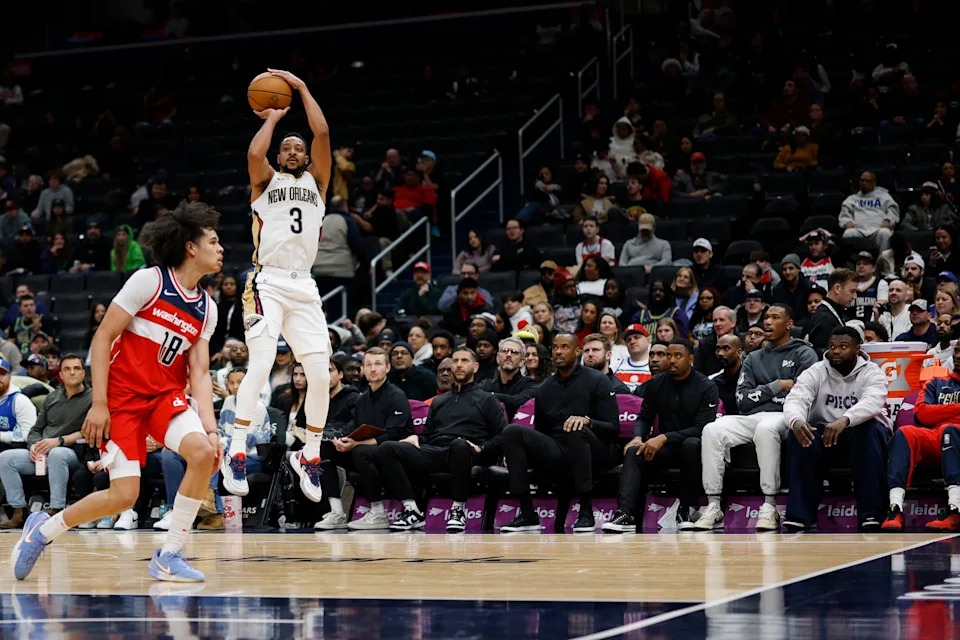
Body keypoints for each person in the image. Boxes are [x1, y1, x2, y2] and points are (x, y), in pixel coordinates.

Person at [11, 200, 223, 582]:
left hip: (164, 397)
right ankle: (43, 531)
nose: (221, 248)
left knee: (203, 453)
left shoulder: (207, 308)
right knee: (123, 496)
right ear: (191, 246)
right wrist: (100, 403)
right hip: (123, 399)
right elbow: (103, 337)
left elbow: (201, 372)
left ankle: (169, 554)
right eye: (213, 240)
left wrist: (211, 428)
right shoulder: (150, 281)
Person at [226, 68, 334, 504]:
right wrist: (271, 117)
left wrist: (304, 89)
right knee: (262, 362)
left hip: (304, 285)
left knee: (322, 374)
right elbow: (255, 153)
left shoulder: (318, 183)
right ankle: (235, 449)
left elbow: (322, 130)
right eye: (286, 147)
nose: (293, 151)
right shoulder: (264, 181)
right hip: (266, 280)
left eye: (298, 147)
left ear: (307, 158)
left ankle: (309, 454)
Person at [693, 305, 817, 532]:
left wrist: (763, 393)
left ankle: (769, 506)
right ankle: (713, 505)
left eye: (775, 317)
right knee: (712, 429)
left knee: (766, 429)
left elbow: (803, 395)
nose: (767, 322)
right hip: (753, 415)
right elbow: (743, 400)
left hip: (786, 415)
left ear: (789, 324)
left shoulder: (804, 353)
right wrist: (777, 386)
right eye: (766, 317)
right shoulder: (753, 358)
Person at [499, 333, 621, 533]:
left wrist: (587, 421)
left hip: (598, 449)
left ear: (576, 351)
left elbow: (613, 428)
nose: (558, 351)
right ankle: (528, 513)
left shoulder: (598, 380)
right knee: (512, 432)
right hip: (559, 451)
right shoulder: (544, 388)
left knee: (574, 427)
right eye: (555, 347)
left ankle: (586, 511)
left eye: (564, 347)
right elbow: (541, 432)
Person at [377, 347, 507, 532]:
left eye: (464, 361)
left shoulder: (487, 399)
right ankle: (412, 510)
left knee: (459, 445)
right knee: (388, 448)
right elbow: (428, 435)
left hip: (466, 451)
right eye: (456, 361)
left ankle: (457, 510)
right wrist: (416, 437)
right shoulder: (440, 401)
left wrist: (483, 448)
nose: (459, 365)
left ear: (476, 367)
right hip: (436, 451)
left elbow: (503, 434)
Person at [603, 339, 719, 533]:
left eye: (678, 356)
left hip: (692, 449)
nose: (671, 360)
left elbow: (702, 428)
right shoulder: (656, 383)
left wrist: (664, 437)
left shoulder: (706, 386)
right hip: (664, 447)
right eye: (669, 355)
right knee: (633, 452)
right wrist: (638, 437)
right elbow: (644, 417)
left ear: (690, 359)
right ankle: (625, 514)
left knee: (692, 444)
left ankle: (687, 509)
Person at [783, 327, 890, 532]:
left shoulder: (872, 372)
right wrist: (796, 420)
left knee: (869, 430)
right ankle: (800, 515)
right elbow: (796, 398)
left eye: (843, 347)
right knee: (799, 433)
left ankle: (872, 514)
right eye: (832, 347)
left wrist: (845, 419)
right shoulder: (815, 371)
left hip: (858, 434)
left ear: (857, 349)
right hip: (824, 436)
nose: (836, 351)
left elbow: (873, 402)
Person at [314, 348, 413, 531]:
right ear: (363, 369)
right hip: (367, 452)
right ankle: (337, 512)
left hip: (395, 453)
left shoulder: (396, 395)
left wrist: (357, 444)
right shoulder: (361, 400)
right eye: (368, 365)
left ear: (388, 368)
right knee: (326, 449)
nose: (373, 369)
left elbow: (395, 433)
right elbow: (355, 429)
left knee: (361, 451)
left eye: (378, 364)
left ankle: (378, 513)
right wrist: (341, 441)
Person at [882, 347, 960, 533]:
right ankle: (895, 509)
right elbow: (922, 413)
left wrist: (940, 413)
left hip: (953, 437)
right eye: (956, 351)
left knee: (950, 431)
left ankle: (955, 509)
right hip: (935, 436)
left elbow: (932, 414)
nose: (957, 356)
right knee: (904, 432)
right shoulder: (936, 382)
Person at [479, 336, 538, 420]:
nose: (508, 355)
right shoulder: (485, 385)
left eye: (514, 352)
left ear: (522, 361)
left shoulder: (530, 384)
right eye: (505, 351)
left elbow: (519, 401)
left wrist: (491, 396)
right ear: (497, 358)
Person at [839, 171, 900, 253]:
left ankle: (883, 262)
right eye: (862, 180)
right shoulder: (852, 198)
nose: (864, 183)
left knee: (885, 233)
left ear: (874, 183)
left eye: (867, 181)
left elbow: (893, 209)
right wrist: (847, 222)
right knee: (848, 234)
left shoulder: (883, 196)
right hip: (858, 229)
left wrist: (888, 220)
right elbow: (844, 213)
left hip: (878, 230)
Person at [805, 268, 858, 355]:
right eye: (852, 291)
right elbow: (823, 355)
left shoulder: (832, 313)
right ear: (837, 288)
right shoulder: (824, 318)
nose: (855, 296)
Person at [694, 306, 736, 375]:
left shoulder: (742, 341)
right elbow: (698, 371)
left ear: (733, 323)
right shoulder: (704, 344)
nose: (717, 324)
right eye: (715, 320)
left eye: (722, 320)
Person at [771, 254, 812, 324]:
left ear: (798, 269)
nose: (787, 272)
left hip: (805, 325)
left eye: (791, 268)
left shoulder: (809, 287)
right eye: (784, 269)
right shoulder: (777, 290)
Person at [709, 334, 742, 416]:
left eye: (726, 348)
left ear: (739, 352)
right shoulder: (714, 382)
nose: (720, 353)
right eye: (718, 349)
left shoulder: (750, 378)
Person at [612, 324, 651, 392]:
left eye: (636, 337)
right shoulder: (616, 367)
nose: (632, 342)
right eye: (628, 340)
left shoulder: (655, 366)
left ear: (648, 340)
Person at [853, 251, 888, 322]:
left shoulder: (880, 283)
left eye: (865, 264)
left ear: (874, 268)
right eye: (858, 264)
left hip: (871, 325)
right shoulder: (850, 283)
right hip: (850, 325)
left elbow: (881, 307)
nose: (861, 266)